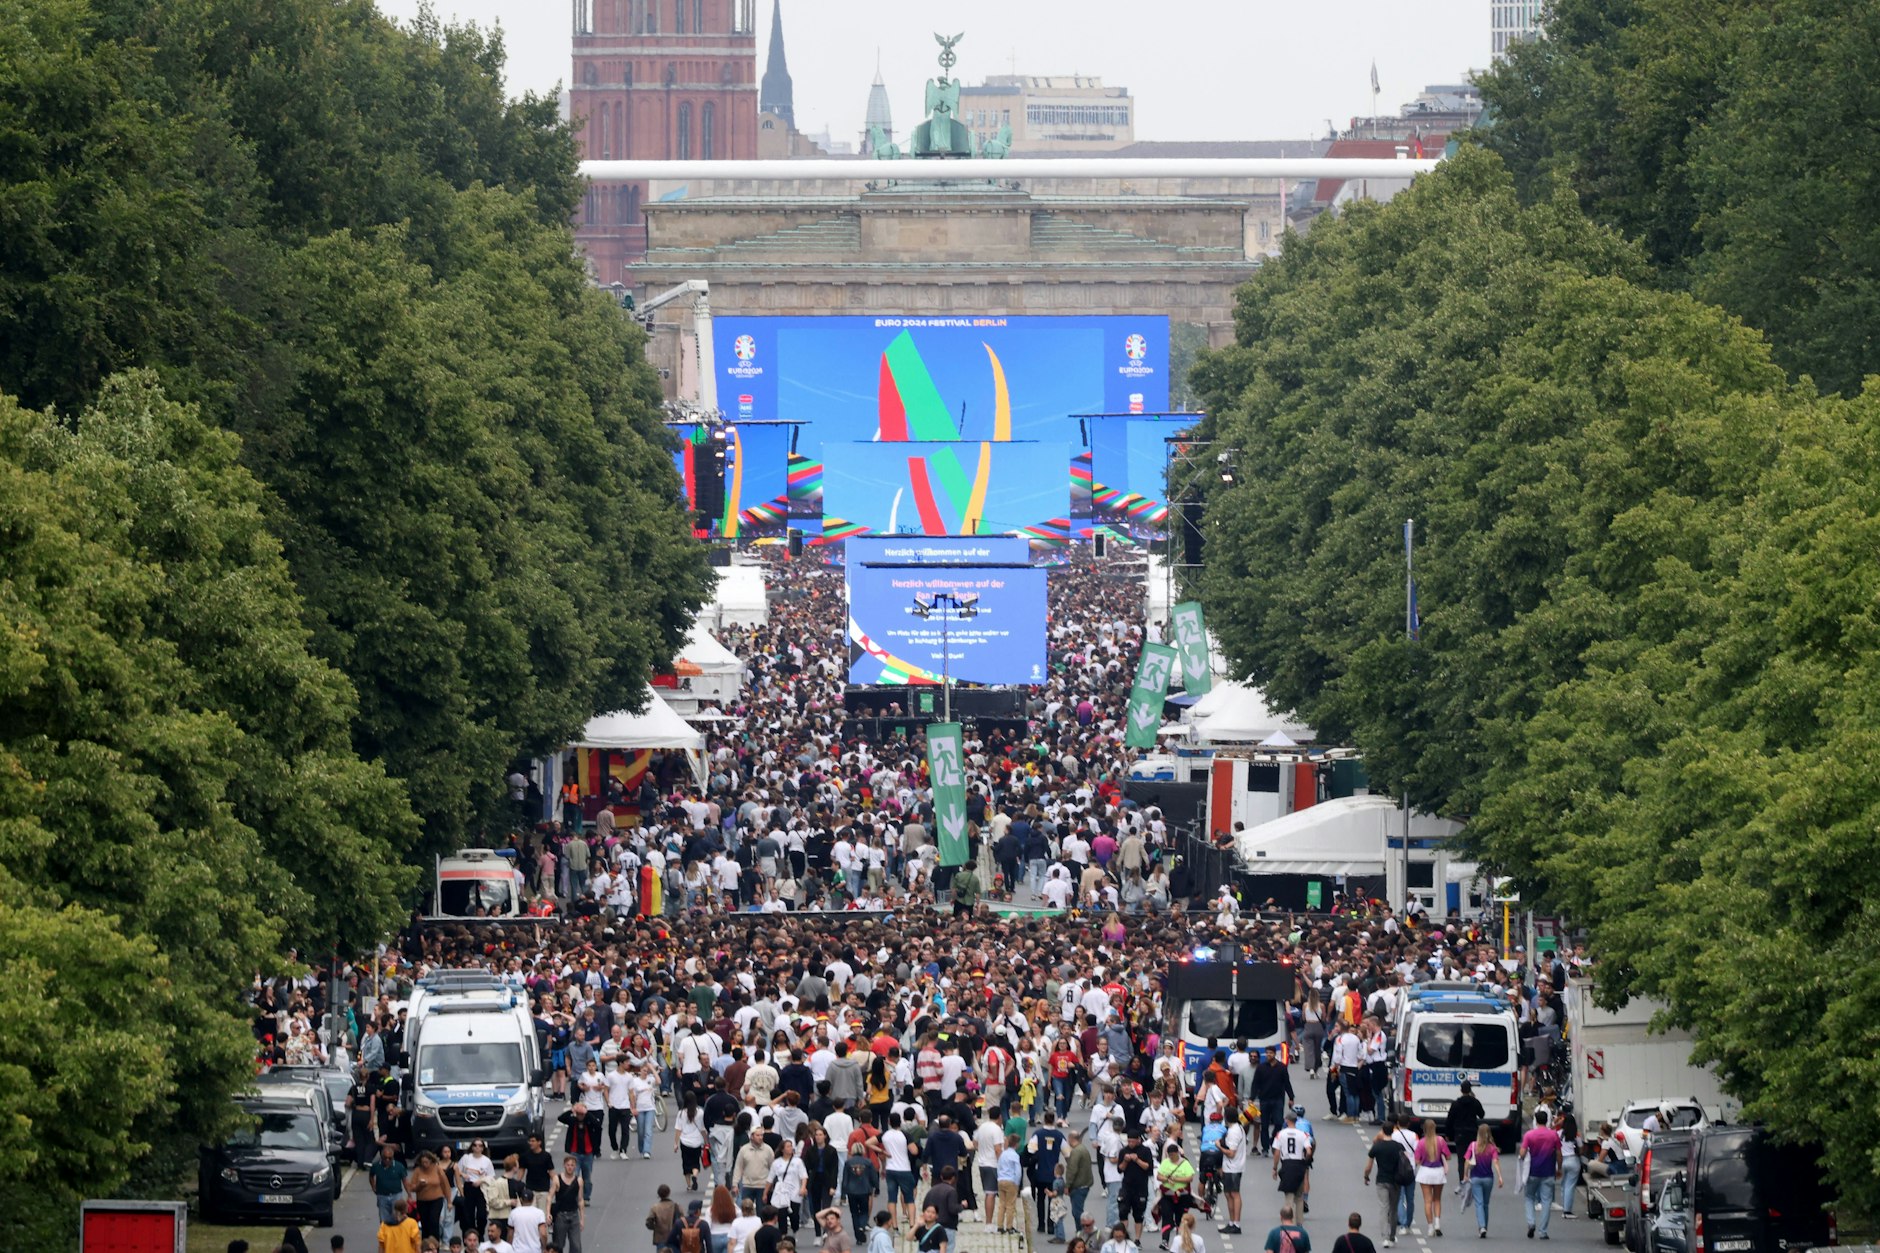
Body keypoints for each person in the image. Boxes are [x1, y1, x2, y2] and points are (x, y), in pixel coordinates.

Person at [1361, 1121, 1409, 1248]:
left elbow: (1369, 1165)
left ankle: (1385, 1237)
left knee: (1383, 1208)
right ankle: (1392, 1236)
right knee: (1393, 1210)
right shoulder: (1399, 1146)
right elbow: (1404, 1163)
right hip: (1395, 1182)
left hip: (1381, 1180)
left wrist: (1366, 1176)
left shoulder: (1377, 1147)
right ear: (1393, 1131)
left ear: (1383, 1131)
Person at [1518, 1110, 1562, 1239]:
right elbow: (1559, 1154)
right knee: (1547, 1201)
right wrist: (1559, 1168)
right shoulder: (1553, 1135)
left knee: (1529, 1197)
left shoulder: (1529, 1135)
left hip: (1532, 1171)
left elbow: (1522, 1153)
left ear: (1536, 1120)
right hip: (1548, 1172)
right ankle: (1543, 1231)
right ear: (1547, 1119)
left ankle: (1531, 1222)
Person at [1461, 1126, 1503, 1236]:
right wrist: (1500, 1176)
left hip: (1475, 1178)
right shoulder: (1492, 1148)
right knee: (1485, 1204)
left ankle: (1482, 1226)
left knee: (1479, 1203)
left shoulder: (1473, 1145)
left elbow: (1466, 1161)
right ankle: (1485, 1226)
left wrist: (1465, 1175)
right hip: (1488, 1178)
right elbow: (1495, 1162)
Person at [1443, 1082, 1485, 1192]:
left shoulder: (1456, 1104)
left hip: (1460, 1134)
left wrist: (1448, 1134)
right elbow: (1481, 1114)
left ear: (1461, 1090)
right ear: (1470, 1090)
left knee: (1461, 1160)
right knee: (1473, 1158)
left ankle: (1462, 1182)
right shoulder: (1475, 1102)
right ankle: (1473, 1181)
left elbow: (1450, 1119)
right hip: (1472, 1133)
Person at [1414, 1119, 1451, 1237]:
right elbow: (1448, 1156)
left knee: (1427, 1201)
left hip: (1425, 1172)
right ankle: (1437, 1224)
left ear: (1424, 1129)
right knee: (1437, 1200)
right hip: (1438, 1172)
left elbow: (1417, 1160)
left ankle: (1430, 1227)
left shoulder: (1421, 1142)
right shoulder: (1440, 1141)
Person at [1271, 1112, 1312, 1218]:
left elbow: (1277, 1153)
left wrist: (1275, 1168)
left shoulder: (1280, 1134)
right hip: (1299, 1164)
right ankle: (1299, 1223)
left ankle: (1290, 1223)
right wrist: (1305, 1162)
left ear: (1287, 1120)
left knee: (1289, 1196)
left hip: (1287, 1164)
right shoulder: (1303, 1134)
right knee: (1299, 1197)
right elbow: (1308, 1151)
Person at [371, 1143, 413, 1227]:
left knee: (398, 1217)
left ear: (393, 1157)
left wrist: (409, 1194)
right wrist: (374, 1187)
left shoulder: (399, 1166)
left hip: (396, 1195)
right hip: (382, 1195)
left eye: (389, 1158)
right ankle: (386, 1235)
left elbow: (405, 1181)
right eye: (385, 1158)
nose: (387, 1160)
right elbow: (371, 1176)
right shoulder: (376, 1166)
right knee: (383, 1219)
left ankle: (397, 1234)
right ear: (381, 1157)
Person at [549, 1157, 585, 1253]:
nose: (570, 1167)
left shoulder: (579, 1181)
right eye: (568, 1165)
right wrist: (548, 1213)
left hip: (574, 1215)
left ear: (575, 1167)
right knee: (558, 1245)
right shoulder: (557, 1179)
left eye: (572, 1165)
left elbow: (580, 1200)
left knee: (576, 1246)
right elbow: (549, 1197)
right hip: (561, 1215)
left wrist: (582, 1219)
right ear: (564, 1165)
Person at [997, 1133, 1024, 1235]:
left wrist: (999, 1177)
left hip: (1001, 1180)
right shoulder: (1015, 1155)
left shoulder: (1003, 1154)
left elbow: (999, 1166)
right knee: (1010, 1205)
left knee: (1002, 1204)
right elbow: (1018, 1171)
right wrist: (1017, 1183)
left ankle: (999, 1226)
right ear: (1016, 1144)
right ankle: (1009, 1226)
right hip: (1010, 1181)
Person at [648, 1184, 682, 1253]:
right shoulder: (676, 1206)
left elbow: (649, 1222)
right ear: (669, 1193)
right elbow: (682, 1220)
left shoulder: (655, 1208)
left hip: (660, 1238)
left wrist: (655, 1227)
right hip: (674, 1238)